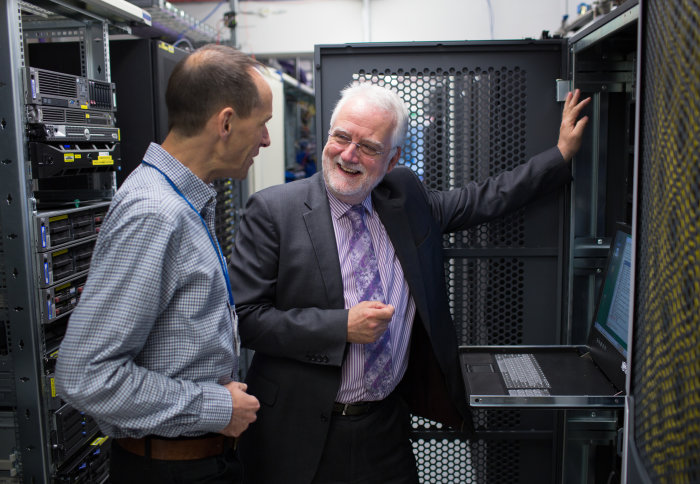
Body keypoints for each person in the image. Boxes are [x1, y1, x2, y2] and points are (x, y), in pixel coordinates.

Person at [229, 83, 590, 483]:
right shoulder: (274, 211)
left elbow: (483, 198)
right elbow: (246, 318)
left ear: (392, 158)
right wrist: (341, 327)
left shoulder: (405, 200)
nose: (349, 155)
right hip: (298, 432)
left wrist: (560, 156)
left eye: (367, 147)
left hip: (384, 429)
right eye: (342, 137)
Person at [55, 44, 272, 483]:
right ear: (226, 122)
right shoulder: (155, 214)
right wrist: (216, 406)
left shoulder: (184, 200)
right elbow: (85, 376)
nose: (266, 140)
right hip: (169, 468)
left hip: (202, 457)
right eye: (262, 125)